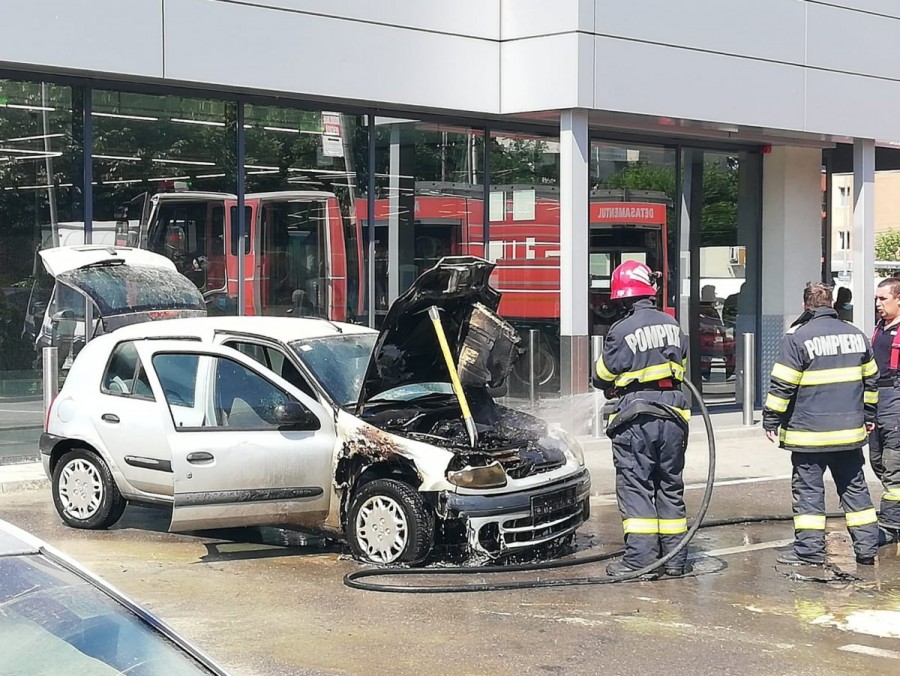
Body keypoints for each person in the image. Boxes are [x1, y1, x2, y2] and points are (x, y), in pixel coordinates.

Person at [763, 282, 879, 566]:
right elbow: (872, 381)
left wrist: (770, 419)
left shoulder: (798, 338)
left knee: (809, 494)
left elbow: (783, 385)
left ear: (806, 305)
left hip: (809, 434)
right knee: (855, 490)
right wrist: (869, 416)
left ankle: (809, 551)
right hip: (849, 434)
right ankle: (866, 550)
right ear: (832, 304)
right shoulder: (856, 334)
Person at [593, 260, 690, 578]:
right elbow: (681, 363)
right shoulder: (672, 324)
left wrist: (618, 383)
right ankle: (675, 560)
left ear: (623, 296)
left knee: (636, 486)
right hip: (674, 415)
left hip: (637, 417)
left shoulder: (621, 330)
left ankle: (641, 561)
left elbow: (601, 375)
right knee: (669, 486)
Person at [870, 278, 900, 542]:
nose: (878, 304)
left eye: (883, 299)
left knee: (893, 465)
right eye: (877, 299)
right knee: (877, 460)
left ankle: (891, 528)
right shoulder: (880, 328)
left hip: (895, 403)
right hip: (877, 402)